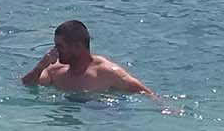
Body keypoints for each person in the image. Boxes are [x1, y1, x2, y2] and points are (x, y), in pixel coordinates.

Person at [20, 19, 155, 96]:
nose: (55, 50)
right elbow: (27, 85)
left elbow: (146, 94)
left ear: (77, 46)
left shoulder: (108, 72)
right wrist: (40, 66)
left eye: (60, 46)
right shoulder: (54, 71)